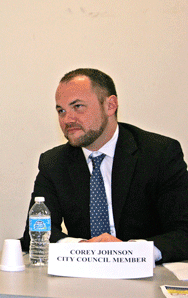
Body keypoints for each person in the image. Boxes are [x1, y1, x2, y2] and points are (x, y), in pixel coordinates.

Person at [21, 68, 188, 264]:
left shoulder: (159, 153)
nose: (67, 119)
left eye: (78, 107)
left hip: (147, 277)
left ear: (110, 105)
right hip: (82, 278)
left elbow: (184, 232)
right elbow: (35, 234)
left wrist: (131, 252)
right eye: (61, 111)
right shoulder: (54, 163)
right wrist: (83, 248)